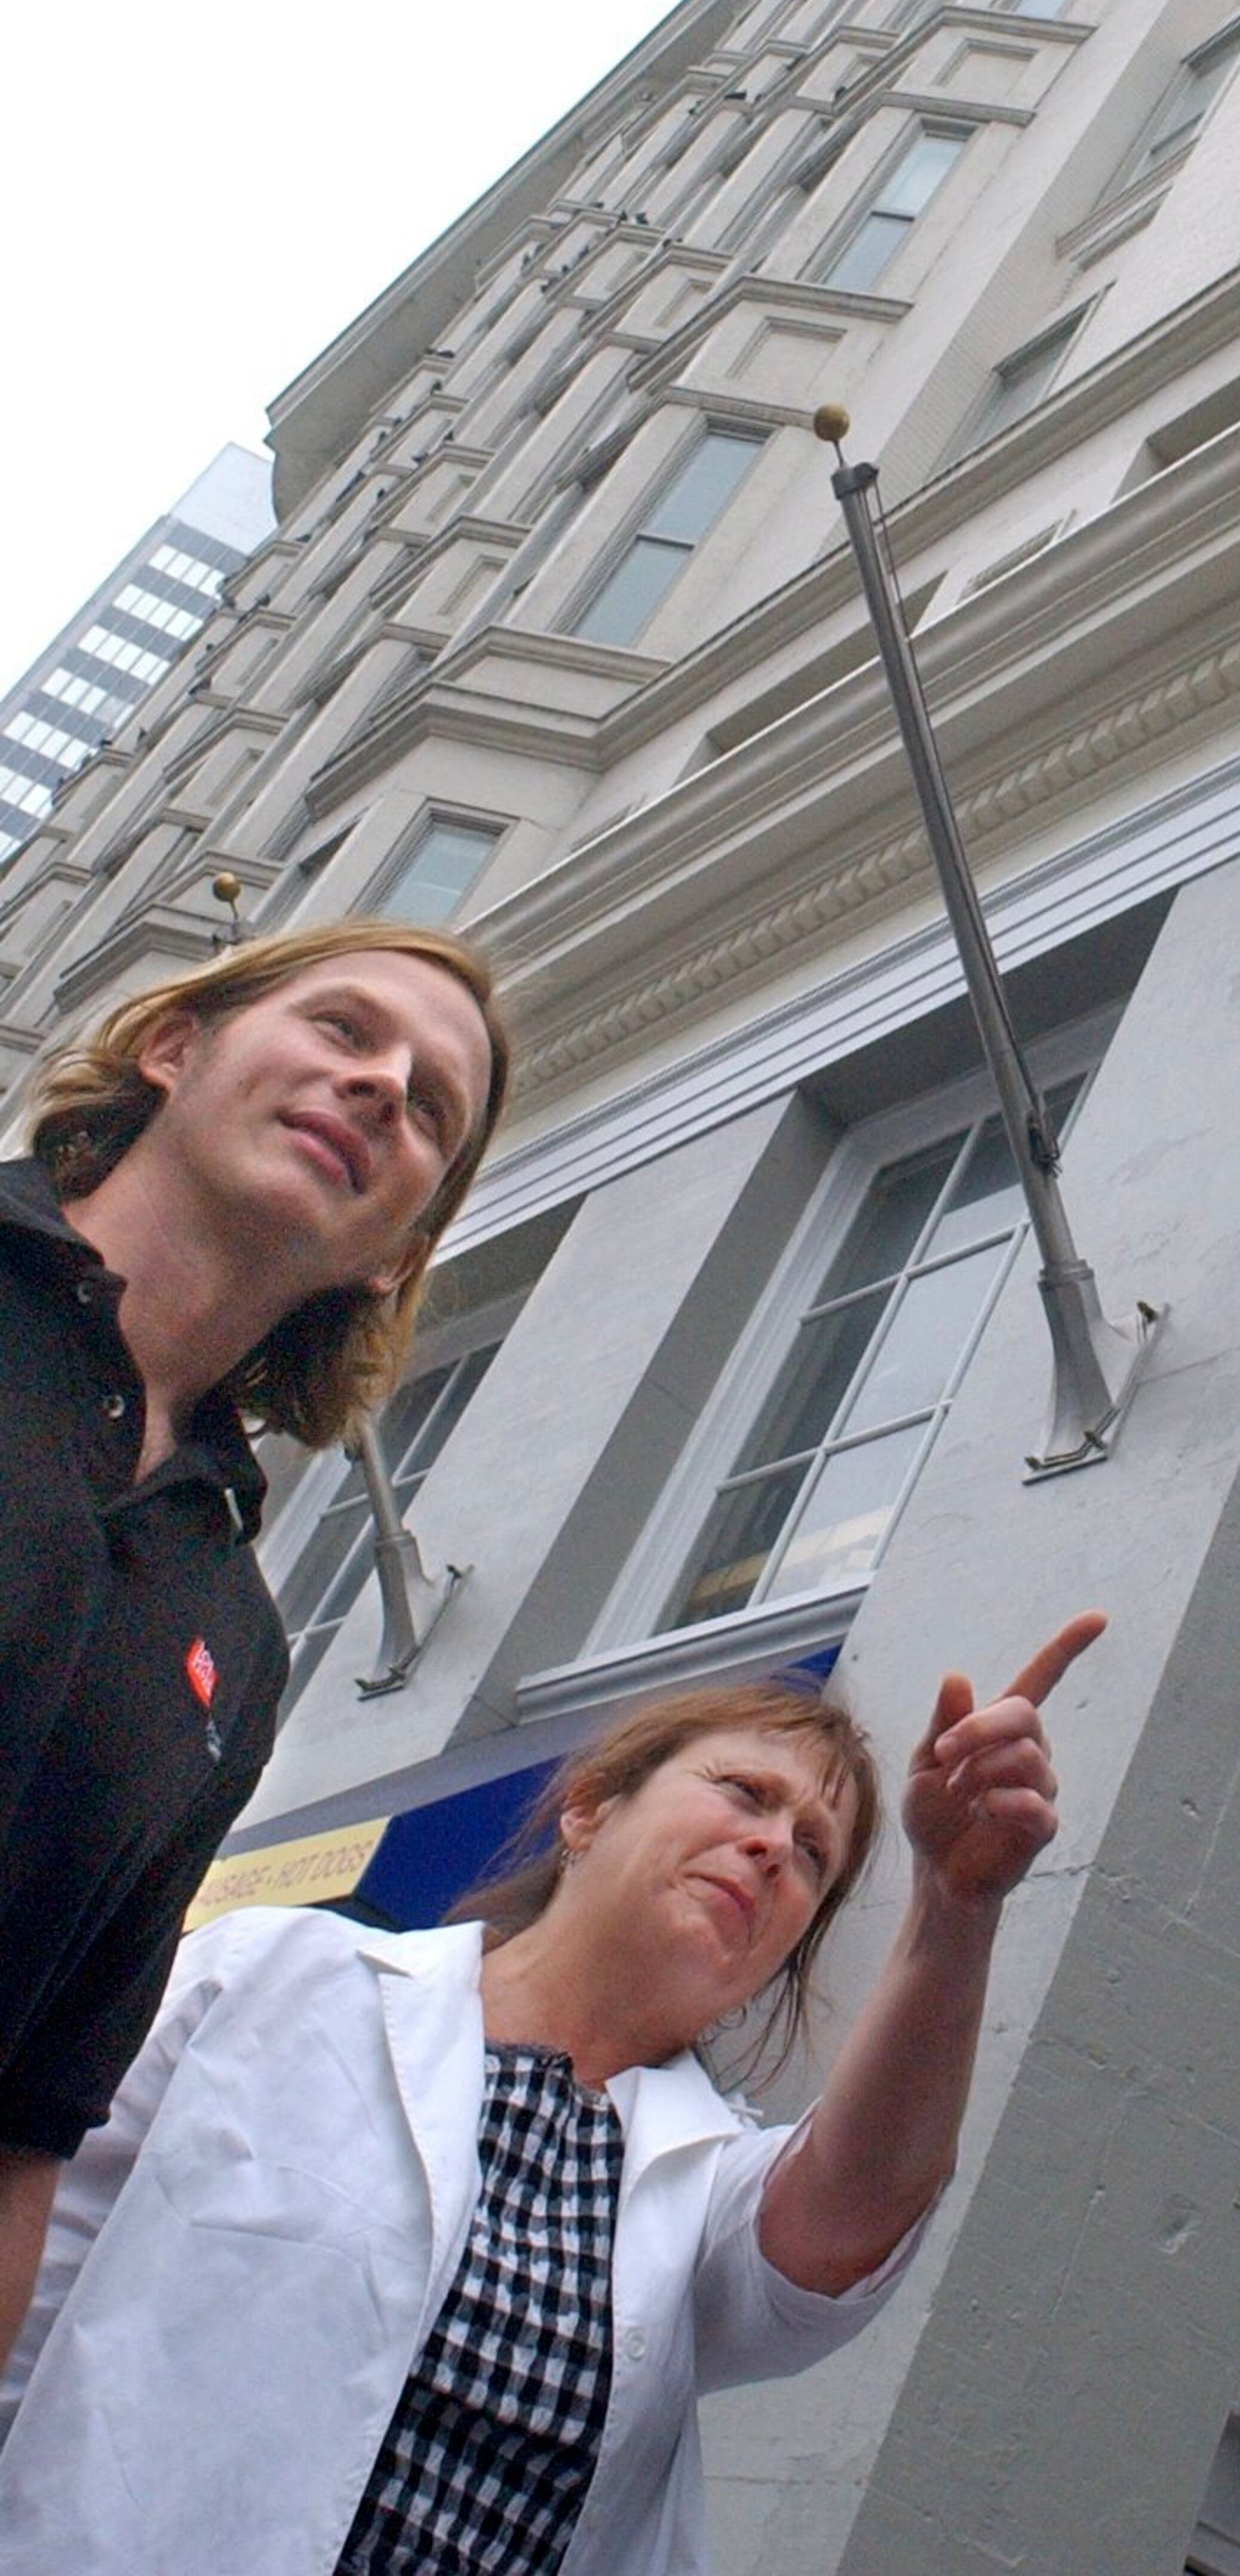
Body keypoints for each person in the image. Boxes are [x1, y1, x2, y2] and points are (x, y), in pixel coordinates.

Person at [0, 1615, 1103, 2573]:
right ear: (589, 1812)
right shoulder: (270, 1974)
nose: (773, 1843)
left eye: (814, 1853)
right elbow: (33, 2253)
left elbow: (857, 2203)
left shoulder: (703, 2190)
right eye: (744, 1793)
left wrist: (957, 1907)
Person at [0, 920, 512, 2358]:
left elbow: (32, 2124)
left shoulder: (239, 1635)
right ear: (175, 1047)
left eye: (428, 1107)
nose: (380, 1085)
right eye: (346, 1031)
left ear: (394, 1251)